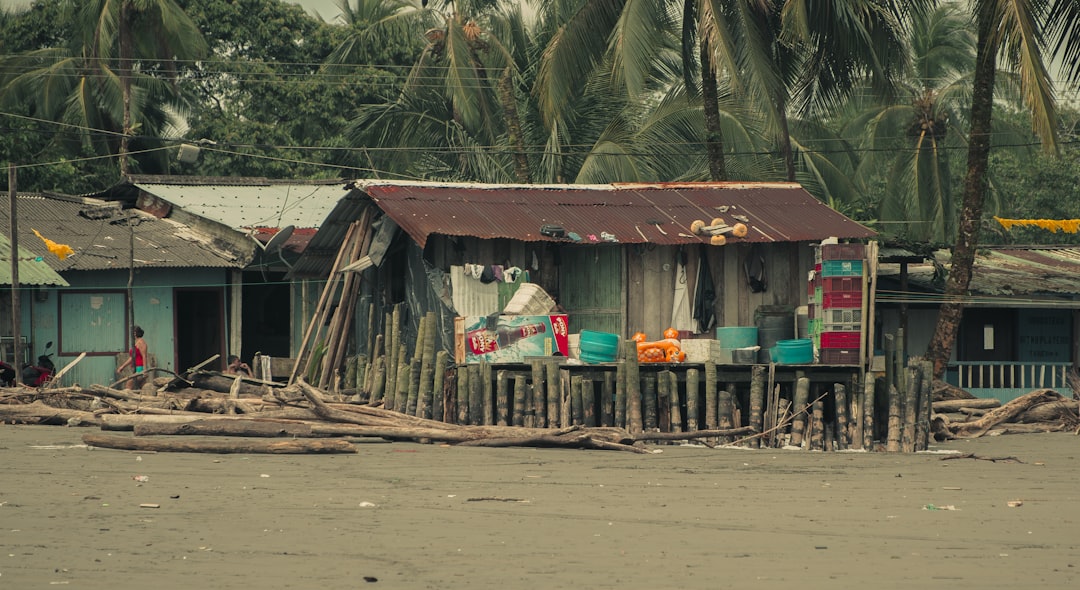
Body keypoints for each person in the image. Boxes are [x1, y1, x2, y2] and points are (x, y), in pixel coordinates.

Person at [116, 325, 148, 389]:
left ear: (135, 333)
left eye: (132, 332)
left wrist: (145, 370)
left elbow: (144, 356)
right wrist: (122, 366)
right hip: (137, 367)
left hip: (140, 368)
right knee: (143, 387)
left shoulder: (141, 342)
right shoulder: (136, 342)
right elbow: (132, 357)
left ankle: (126, 398)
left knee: (129, 384)